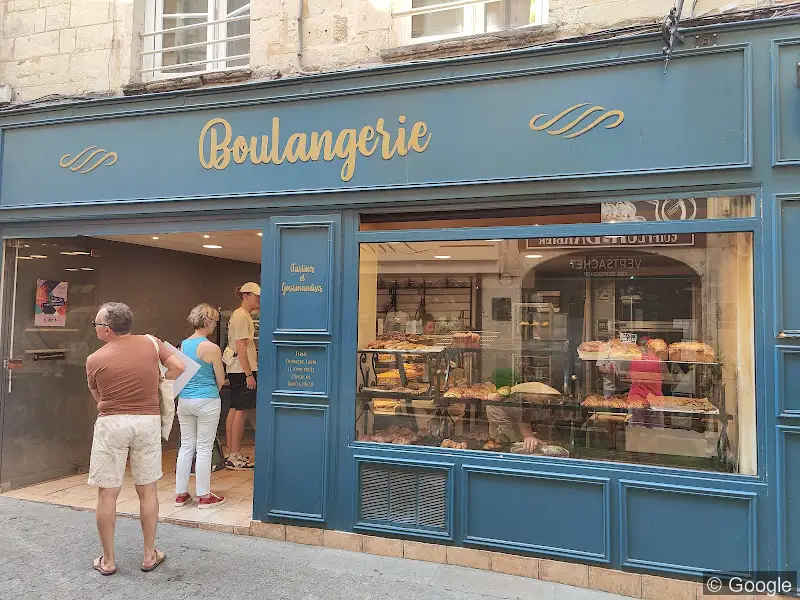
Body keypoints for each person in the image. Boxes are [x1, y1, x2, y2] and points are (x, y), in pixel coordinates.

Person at [86, 302, 184, 576]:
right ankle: (149, 554)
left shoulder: (95, 360)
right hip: (147, 421)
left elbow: (99, 398)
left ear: (107, 330)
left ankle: (108, 560)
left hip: (112, 423)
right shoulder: (152, 343)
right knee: (147, 489)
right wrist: (158, 381)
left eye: (96, 324)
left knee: (107, 492)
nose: (95, 328)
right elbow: (177, 366)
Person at [174, 304, 227, 509]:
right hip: (207, 400)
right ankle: (204, 496)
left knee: (186, 446)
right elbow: (220, 379)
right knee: (204, 448)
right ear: (208, 322)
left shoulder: (181, 346)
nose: (215, 325)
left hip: (184, 401)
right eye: (214, 321)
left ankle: (180, 494)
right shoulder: (211, 348)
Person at [224, 282, 260, 470]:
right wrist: (248, 374)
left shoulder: (241, 316)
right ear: (246, 296)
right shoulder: (241, 316)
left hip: (237, 368)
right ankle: (234, 454)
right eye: (256, 297)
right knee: (241, 410)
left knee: (235, 408)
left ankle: (232, 453)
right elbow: (241, 346)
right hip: (242, 368)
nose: (259, 300)